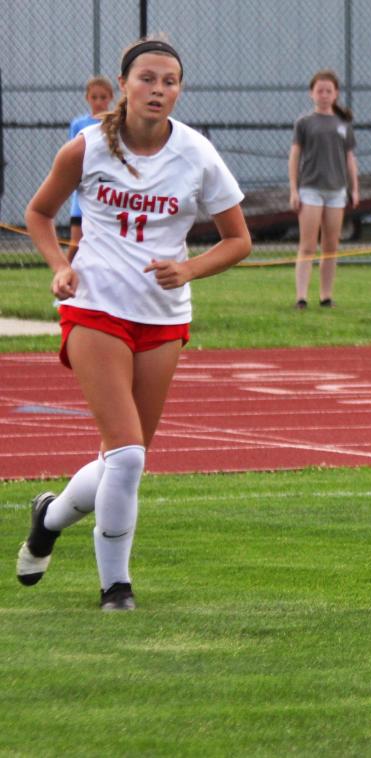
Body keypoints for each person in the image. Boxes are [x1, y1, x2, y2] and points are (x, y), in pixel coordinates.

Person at [17, 36, 251, 611]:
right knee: (126, 456)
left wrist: (188, 267)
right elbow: (39, 214)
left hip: (163, 317)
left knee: (126, 459)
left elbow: (238, 239)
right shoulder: (87, 147)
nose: (158, 89)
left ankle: (48, 516)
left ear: (178, 91)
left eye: (169, 81)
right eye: (147, 78)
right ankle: (115, 587)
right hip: (95, 306)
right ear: (124, 84)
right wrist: (59, 266)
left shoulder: (197, 153)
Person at [288, 69, 360, 309]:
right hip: (311, 189)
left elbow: (350, 158)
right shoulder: (304, 123)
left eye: (329, 91)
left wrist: (354, 188)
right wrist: (294, 190)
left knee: (331, 246)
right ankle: (301, 297)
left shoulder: (343, 124)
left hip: (336, 191)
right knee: (308, 245)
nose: (324, 94)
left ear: (336, 94)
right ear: (312, 93)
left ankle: (326, 296)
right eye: (320, 90)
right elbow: (295, 156)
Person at [67, 75, 115, 260]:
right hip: (84, 187)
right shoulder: (79, 124)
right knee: (75, 244)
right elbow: (72, 153)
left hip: (107, 188)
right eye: (94, 97)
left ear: (111, 97)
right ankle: (64, 274)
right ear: (87, 98)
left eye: (103, 97)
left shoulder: (115, 122)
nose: (98, 102)